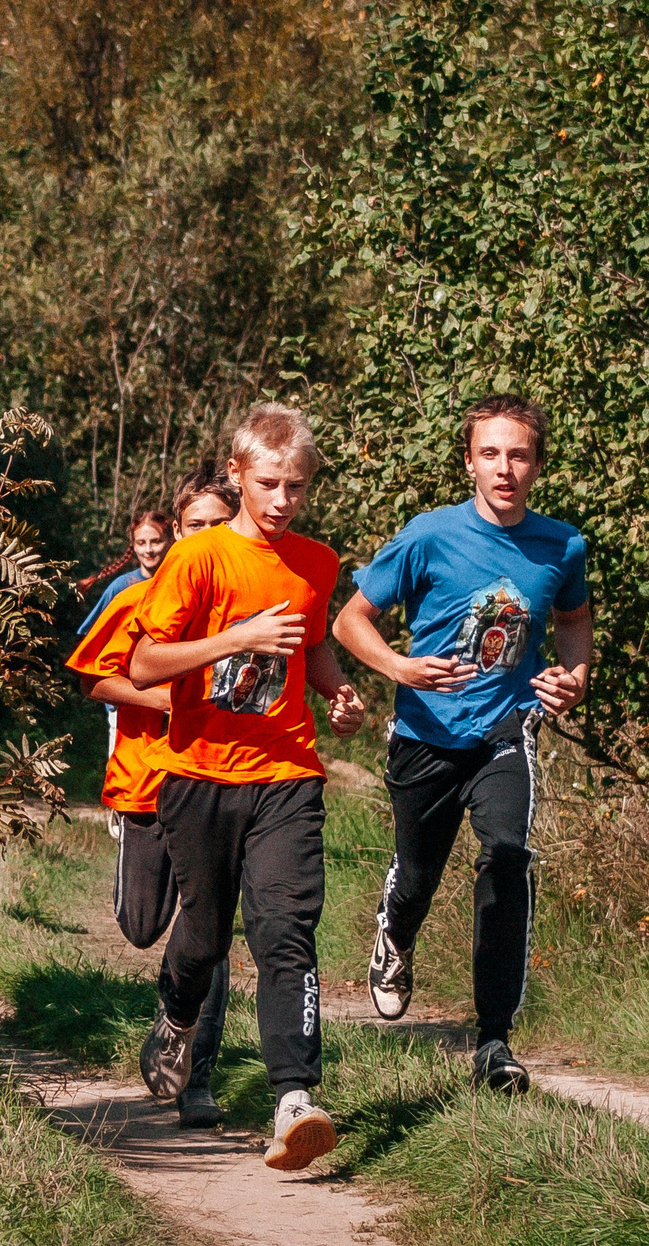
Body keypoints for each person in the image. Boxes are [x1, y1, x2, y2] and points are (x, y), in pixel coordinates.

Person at [128, 403, 367, 1172]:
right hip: (198, 775)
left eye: (297, 486)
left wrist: (337, 692)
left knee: (284, 931)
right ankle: (175, 1012)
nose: (282, 500)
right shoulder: (195, 561)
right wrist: (236, 638)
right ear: (236, 474)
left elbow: (313, 646)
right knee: (202, 936)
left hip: (285, 772)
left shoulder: (317, 562)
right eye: (268, 483)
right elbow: (143, 667)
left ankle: (294, 1098)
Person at [330, 395, 592, 1096]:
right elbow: (350, 621)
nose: (505, 468)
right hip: (425, 736)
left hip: (507, 729)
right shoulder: (428, 536)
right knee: (418, 874)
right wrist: (399, 668)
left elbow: (572, 620)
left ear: (537, 464)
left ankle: (495, 1039)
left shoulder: (562, 545)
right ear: (469, 459)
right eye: (491, 453)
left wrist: (576, 675)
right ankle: (396, 927)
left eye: (519, 454)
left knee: (507, 854)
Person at [65, 465, 239, 1128]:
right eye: (195, 525)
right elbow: (93, 677)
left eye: (218, 524)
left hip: (218, 782)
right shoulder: (135, 597)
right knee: (142, 925)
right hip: (145, 781)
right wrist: (167, 698)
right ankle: (179, 979)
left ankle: (197, 1077)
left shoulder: (249, 598)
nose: (205, 537)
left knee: (210, 927)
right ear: (174, 530)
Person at [75, 507, 174, 638]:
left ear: (170, 541)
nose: (148, 550)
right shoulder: (122, 586)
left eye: (156, 542)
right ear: (133, 545)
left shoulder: (176, 581)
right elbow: (90, 632)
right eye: (141, 543)